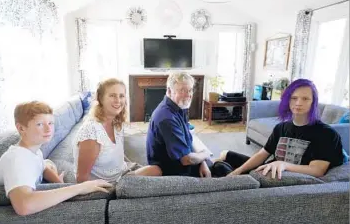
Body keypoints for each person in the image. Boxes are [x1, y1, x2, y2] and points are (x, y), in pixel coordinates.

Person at [0, 101, 111, 216]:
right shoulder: (17, 159)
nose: (48, 129)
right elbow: (24, 205)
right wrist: (80, 188)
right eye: (40, 124)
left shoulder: (33, 150)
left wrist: (59, 183)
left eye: (50, 123)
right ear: (21, 128)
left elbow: (42, 166)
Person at [215, 79, 344, 179]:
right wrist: (239, 170)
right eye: (294, 98)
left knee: (220, 167)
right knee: (224, 156)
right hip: (269, 168)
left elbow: (317, 170)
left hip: (278, 177)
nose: (298, 103)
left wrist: (284, 165)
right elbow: (262, 154)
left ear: (313, 102)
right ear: (288, 100)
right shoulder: (281, 127)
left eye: (305, 99)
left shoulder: (326, 134)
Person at [134, 71, 213, 177]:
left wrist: (202, 161)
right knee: (219, 168)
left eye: (190, 90)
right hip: (171, 172)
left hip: (181, 161)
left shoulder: (178, 107)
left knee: (217, 163)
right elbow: (186, 160)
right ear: (169, 91)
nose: (188, 95)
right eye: (182, 90)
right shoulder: (167, 118)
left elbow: (188, 138)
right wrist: (205, 155)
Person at [74, 78, 142, 183]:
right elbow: (81, 179)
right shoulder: (91, 131)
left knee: (157, 170)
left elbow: (117, 156)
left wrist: (132, 167)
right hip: (105, 186)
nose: (118, 100)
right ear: (100, 99)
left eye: (121, 96)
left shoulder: (116, 122)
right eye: (112, 95)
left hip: (123, 174)